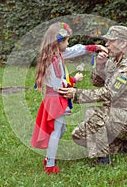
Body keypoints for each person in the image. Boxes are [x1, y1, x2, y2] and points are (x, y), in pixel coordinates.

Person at [58, 25, 127, 166]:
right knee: (78, 135)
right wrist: (100, 65)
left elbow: (109, 93)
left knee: (93, 113)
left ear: (123, 43)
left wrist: (76, 94)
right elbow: (97, 83)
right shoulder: (114, 59)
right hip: (115, 114)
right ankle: (121, 145)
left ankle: (103, 161)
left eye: (111, 41)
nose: (106, 45)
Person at [30, 22, 107, 174]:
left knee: (60, 128)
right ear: (58, 43)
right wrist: (73, 80)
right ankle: (50, 164)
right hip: (55, 99)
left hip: (54, 98)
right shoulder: (53, 61)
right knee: (56, 131)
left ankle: (49, 159)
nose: (68, 44)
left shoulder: (56, 54)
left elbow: (75, 49)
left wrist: (95, 47)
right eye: (66, 41)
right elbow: (59, 84)